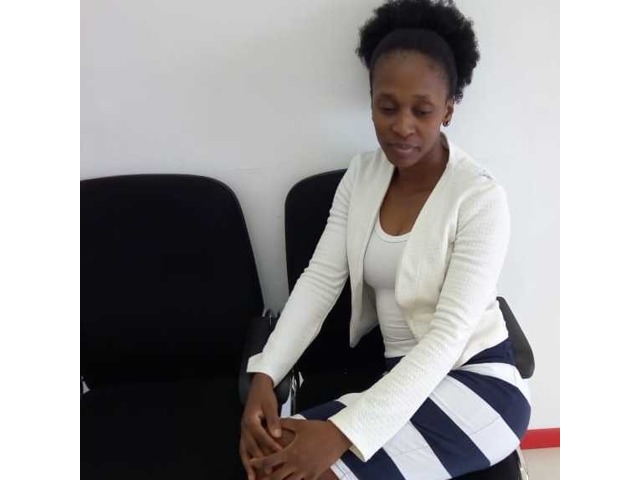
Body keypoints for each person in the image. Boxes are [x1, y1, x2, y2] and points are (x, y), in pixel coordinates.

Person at [239, 1, 531, 479]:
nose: (402, 126)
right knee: (271, 458)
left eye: (423, 110)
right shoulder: (361, 176)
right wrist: (265, 373)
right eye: (387, 107)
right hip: (400, 383)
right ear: (371, 100)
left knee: (307, 472)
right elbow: (320, 281)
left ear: (449, 109)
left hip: (477, 383)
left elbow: (447, 337)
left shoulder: (480, 197)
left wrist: (343, 432)